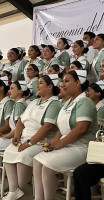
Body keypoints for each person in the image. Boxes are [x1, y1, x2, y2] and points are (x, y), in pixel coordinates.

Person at [33, 70, 97, 200]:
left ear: (78, 82)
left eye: (67, 81)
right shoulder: (68, 102)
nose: (62, 84)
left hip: (82, 148)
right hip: (67, 145)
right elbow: (61, 128)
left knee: (47, 167)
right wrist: (53, 143)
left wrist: (60, 144)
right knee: (37, 160)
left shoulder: (84, 101)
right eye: (62, 81)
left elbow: (81, 129)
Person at [2, 74, 62, 200]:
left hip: (41, 142)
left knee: (23, 156)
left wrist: (29, 143)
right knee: (9, 151)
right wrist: (17, 136)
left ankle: (24, 190)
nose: (37, 86)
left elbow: (48, 127)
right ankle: (14, 190)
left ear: (50, 86)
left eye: (40, 83)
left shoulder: (54, 103)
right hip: (25, 139)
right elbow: (20, 121)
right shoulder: (34, 102)